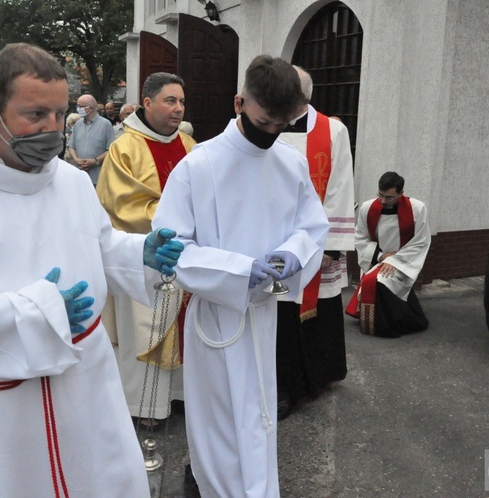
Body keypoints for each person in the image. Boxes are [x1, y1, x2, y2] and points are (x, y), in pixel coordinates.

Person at [0, 42, 184, 498]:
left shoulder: (68, 181)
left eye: (58, 114)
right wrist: (37, 312)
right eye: (35, 115)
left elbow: (100, 245)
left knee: (105, 480)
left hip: (88, 374)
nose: (51, 129)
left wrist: (138, 253)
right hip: (8, 387)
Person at [152, 55, 330, 497]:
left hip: (265, 312)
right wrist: (235, 269)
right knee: (218, 420)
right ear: (239, 104)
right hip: (216, 317)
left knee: (258, 416)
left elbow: (311, 226)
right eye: (265, 121)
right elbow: (170, 249)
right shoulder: (199, 165)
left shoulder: (290, 163)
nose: (272, 133)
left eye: (282, 125)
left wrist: (293, 253)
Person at [96, 72, 196, 425]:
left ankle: (179, 395)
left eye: (182, 102)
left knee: (185, 324)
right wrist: (182, 224)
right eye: (171, 101)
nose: (178, 109)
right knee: (143, 328)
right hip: (142, 257)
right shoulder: (125, 148)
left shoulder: (188, 145)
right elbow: (121, 206)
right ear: (148, 103)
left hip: (186, 254)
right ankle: (144, 407)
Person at [275, 66, 355, 419]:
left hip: (315, 239)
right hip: (275, 240)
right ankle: (282, 384)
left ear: (302, 96)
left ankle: (315, 379)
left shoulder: (332, 130)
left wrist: (331, 246)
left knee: (314, 314)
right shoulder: (267, 124)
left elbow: (339, 185)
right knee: (278, 312)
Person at [346, 171, 431, 337]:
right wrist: (381, 256)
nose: (383, 201)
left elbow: (421, 241)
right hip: (375, 258)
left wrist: (394, 261)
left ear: (401, 193)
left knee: (382, 280)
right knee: (375, 279)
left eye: (389, 197)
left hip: (402, 260)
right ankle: (377, 321)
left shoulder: (417, 209)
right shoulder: (368, 208)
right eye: (380, 195)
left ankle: (391, 323)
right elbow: (360, 237)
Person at [67, 94, 114, 186]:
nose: (78, 109)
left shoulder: (106, 124)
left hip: (98, 178)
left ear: (91, 108)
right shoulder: (78, 124)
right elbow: (71, 146)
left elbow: (111, 149)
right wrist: (76, 159)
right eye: (77, 106)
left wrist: (95, 161)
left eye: (81, 106)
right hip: (79, 176)